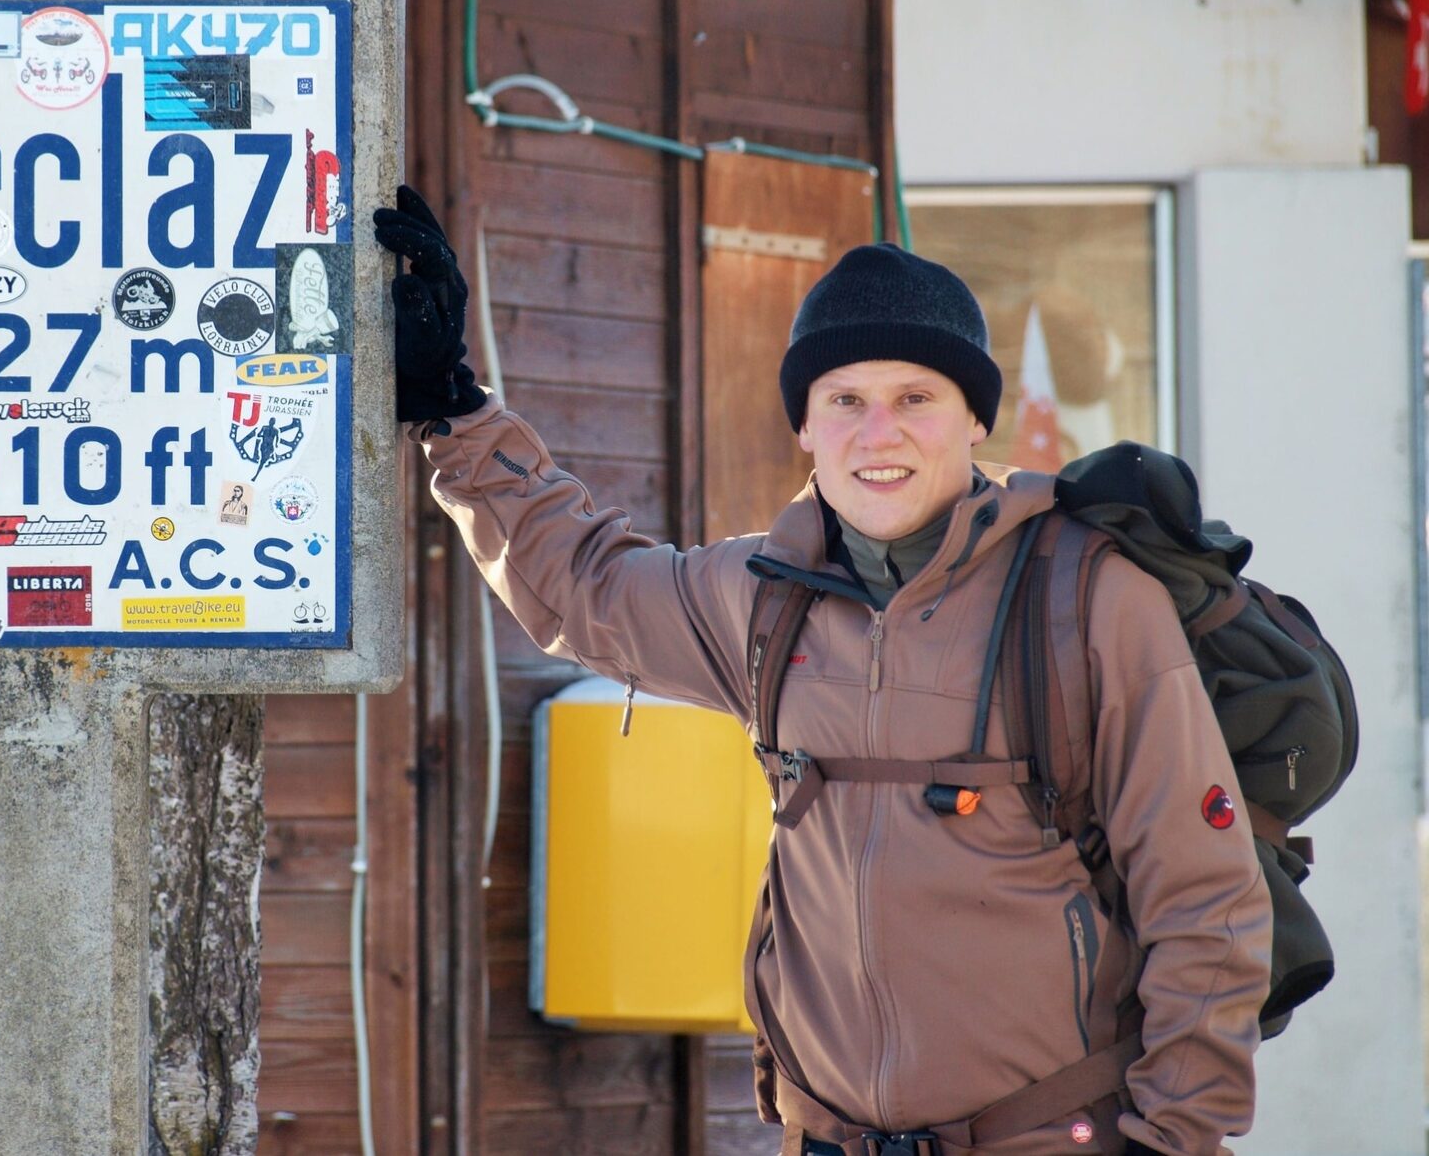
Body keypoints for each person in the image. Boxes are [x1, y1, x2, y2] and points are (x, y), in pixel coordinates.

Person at [375, 186, 1271, 1156]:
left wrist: (1177, 1137)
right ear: (804, 425)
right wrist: (453, 411)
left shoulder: (1086, 600)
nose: (876, 434)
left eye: (915, 398)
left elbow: (1204, 897)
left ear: (975, 418)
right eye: (844, 400)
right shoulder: (764, 597)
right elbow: (584, 585)